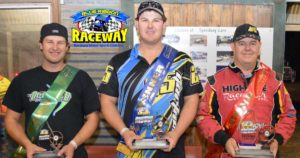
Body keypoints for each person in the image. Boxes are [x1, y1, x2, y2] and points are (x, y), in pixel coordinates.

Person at [99, 1, 202, 157]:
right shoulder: (118, 62)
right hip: (131, 151)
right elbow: (106, 102)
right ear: (137, 24)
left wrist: (176, 133)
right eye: (145, 20)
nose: (150, 25)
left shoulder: (182, 61)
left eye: (156, 20)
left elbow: (192, 100)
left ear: (164, 25)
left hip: (170, 150)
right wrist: (125, 132)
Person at [196, 23, 297, 158]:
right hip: (228, 154)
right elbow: (203, 117)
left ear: (259, 47)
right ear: (233, 46)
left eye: (253, 43)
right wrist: (223, 139)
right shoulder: (215, 82)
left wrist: (277, 139)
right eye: (242, 43)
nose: (248, 48)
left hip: (265, 154)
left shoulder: (274, 80)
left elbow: (289, 114)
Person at [3, 23, 100, 158]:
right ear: (41, 45)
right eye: (50, 42)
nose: (55, 47)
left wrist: (73, 144)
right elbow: (11, 119)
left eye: (60, 42)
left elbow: (93, 118)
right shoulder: (23, 79)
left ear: (67, 47)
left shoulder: (81, 78)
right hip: (35, 154)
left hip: (73, 154)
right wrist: (27, 144)